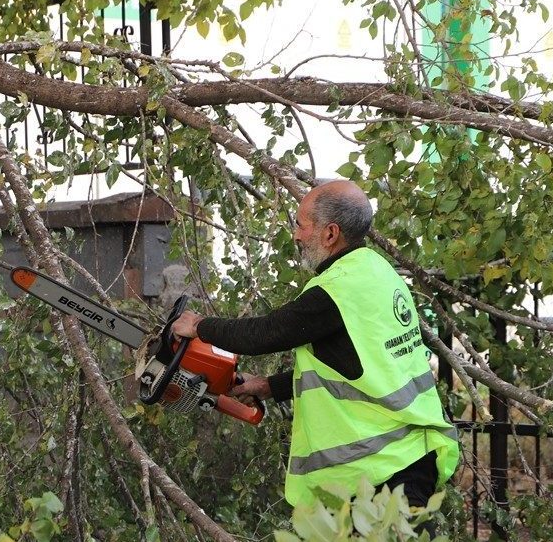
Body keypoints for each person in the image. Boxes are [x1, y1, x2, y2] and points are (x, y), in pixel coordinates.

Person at [171, 180, 459, 509]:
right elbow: (354, 366)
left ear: (330, 233)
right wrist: (269, 386)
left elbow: (268, 332)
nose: (295, 235)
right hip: (402, 459)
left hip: (383, 473)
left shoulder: (338, 288)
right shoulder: (377, 272)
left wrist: (199, 326)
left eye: (300, 224)